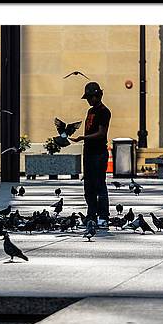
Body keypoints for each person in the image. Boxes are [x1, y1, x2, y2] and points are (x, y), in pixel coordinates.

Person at [69, 82, 111, 228]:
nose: (89, 100)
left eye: (91, 97)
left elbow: (102, 133)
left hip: (99, 153)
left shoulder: (104, 111)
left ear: (98, 95)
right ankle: (91, 215)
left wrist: (83, 138)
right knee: (88, 186)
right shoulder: (90, 111)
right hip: (88, 152)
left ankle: (104, 216)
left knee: (99, 184)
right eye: (87, 98)